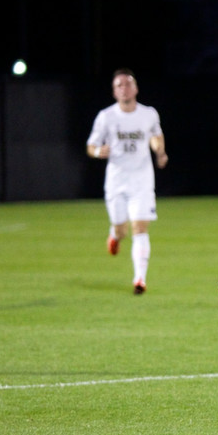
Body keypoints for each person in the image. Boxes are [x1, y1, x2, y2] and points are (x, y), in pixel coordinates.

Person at [86, 68, 168, 295]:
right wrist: (97, 152)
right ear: (114, 92)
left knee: (140, 228)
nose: (124, 88)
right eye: (119, 85)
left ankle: (139, 279)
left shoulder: (148, 113)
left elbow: (155, 136)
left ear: (136, 88)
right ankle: (114, 236)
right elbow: (91, 145)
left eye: (128, 83)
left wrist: (159, 151)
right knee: (122, 229)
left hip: (142, 179)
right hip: (116, 181)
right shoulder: (106, 117)